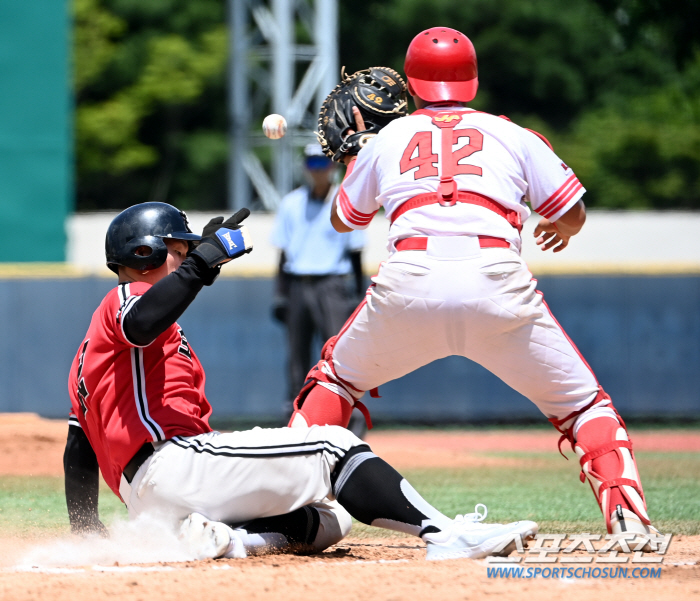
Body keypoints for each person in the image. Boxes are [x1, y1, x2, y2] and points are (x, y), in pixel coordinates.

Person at [287, 27, 658, 544]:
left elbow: (344, 221)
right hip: (498, 287)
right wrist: (559, 227)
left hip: (408, 287)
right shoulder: (516, 134)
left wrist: (357, 158)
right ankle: (629, 519)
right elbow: (572, 213)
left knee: (334, 382)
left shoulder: (389, 138)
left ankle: (282, 498)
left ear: (412, 87)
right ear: (473, 81)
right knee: (585, 408)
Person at [63, 201, 537, 561]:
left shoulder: (86, 358)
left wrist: (84, 530)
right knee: (332, 445)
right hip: (174, 464)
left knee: (331, 517)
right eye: (177, 248)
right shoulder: (125, 298)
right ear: (145, 253)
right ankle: (447, 536)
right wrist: (199, 264)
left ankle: (230, 541)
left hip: (153, 501)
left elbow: (78, 450)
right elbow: (143, 318)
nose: (184, 255)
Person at [271, 143, 366, 434]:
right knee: (297, 358)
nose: (318, 170)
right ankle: (296, 424)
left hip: (333, 285)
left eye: (322, 163)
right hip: (299, 284)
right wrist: (280, 295)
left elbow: (355, 254)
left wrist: (357, 296)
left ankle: (349, 426)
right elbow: (283, 254)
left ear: (333, 166)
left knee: (339, 359)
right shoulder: (291, 203)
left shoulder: (346, 200)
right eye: (312, 164)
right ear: (305, 168)